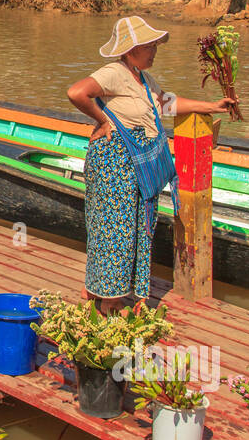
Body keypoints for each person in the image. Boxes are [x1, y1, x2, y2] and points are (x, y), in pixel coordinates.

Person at [66, 17, 237, 312]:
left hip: (132, 165)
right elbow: (77, 92)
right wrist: (102, 119)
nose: (154, 50)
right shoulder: (115, 72)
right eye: (149, 46)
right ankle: (110, 302)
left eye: (155, 45)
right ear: (131, 49)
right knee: (113, 231)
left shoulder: (144, 80)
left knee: (126, 228)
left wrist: (211, 106)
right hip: (113, 164)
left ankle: (95, 289)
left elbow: (166, 104)